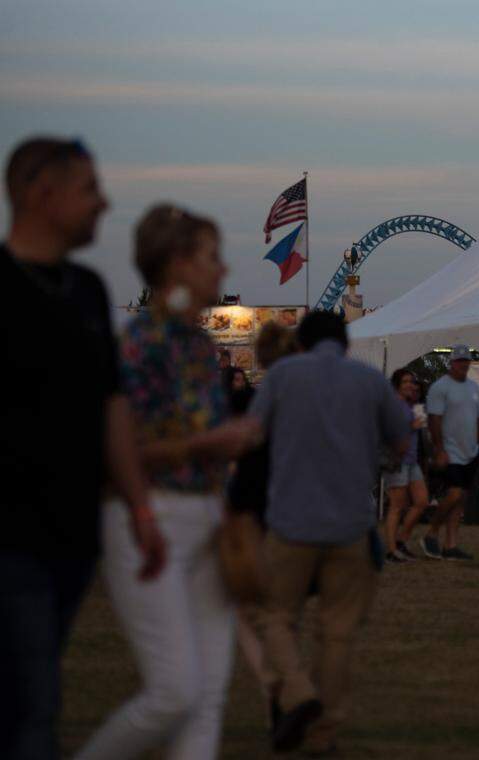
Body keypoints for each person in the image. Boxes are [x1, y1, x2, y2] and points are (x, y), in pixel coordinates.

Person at [78, 204, 262, 760]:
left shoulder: (197, 348)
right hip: (147, 515)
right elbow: (117, 451)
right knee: (174, 691)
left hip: (203, 515)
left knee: (206, 696)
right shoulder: (139, 344)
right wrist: (208, 445)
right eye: (212, 258)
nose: (222, 271)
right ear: (177, 264)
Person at [1, 137, 164, 760]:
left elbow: (112, 406)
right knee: (33, 707)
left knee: (33, 691)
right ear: (44, 194)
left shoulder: (89, 291)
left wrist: (140, 509)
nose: (104, 204)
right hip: (10, 536)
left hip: (72, 536)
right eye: (89, 189)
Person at [249, 310, 408, 755]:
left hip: (290, 523)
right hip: (351, 526)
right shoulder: (370, 380)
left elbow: (252, 434)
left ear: (302, 342)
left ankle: (299, 695)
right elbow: (401, 442)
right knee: (337, 632)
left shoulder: (282, 377)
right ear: (344, 341)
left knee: (275, 617)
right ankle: (324, 734)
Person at [227, 321, 298, 726]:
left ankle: (275, 685)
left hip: (256, 511)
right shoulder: (300, 398)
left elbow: (248, 457)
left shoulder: (263, 399)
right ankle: (285, 686)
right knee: (282, 613)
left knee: (248, 611)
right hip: (294, 514)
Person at [422, 345, 479, 561]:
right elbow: (434, 420)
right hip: (450, 450)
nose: (463, 364)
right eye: (459, 361)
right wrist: (439, 450)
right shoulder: (440, 388)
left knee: (460, 499)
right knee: (454, 493)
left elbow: (478, 419)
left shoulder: (474, 388)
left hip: (471, 451)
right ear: (452, 363)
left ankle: (451, 545)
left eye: (466, 360)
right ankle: (431, 532)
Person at [384, 368, 430, 563]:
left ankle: (401, 541)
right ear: (397, 385)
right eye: (406, 382)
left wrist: (418, 402)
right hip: (397, 460)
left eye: (412, 382)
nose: (410, 385)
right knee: (397, 506)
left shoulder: (413, 405)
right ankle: (391, 550)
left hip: (412, 460)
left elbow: (423, 427)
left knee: (421, 502)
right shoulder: (392, 405)